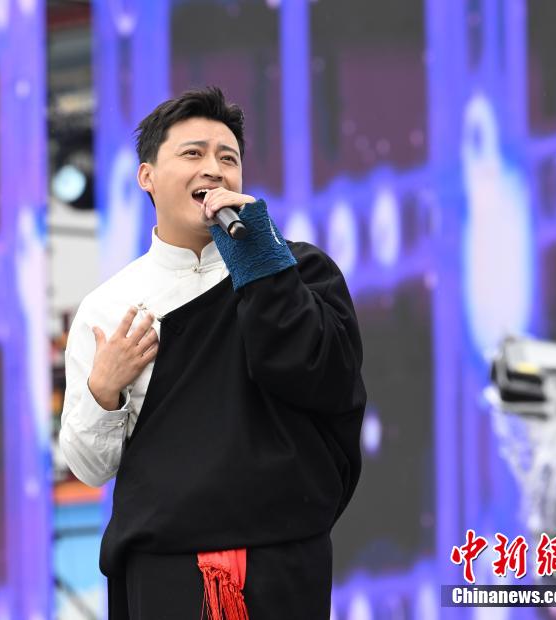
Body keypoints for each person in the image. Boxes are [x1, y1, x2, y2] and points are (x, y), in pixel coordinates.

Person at [59, 86, 366, 619]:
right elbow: (89, 467)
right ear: (147, 176)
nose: (214, 170)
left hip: (283, 557)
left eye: (228, 158)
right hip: (164, 568)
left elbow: (326, 379)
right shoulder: (108, 307)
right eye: (193, 153)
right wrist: (103, 389)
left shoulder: (300, 271)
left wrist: (261, 261)